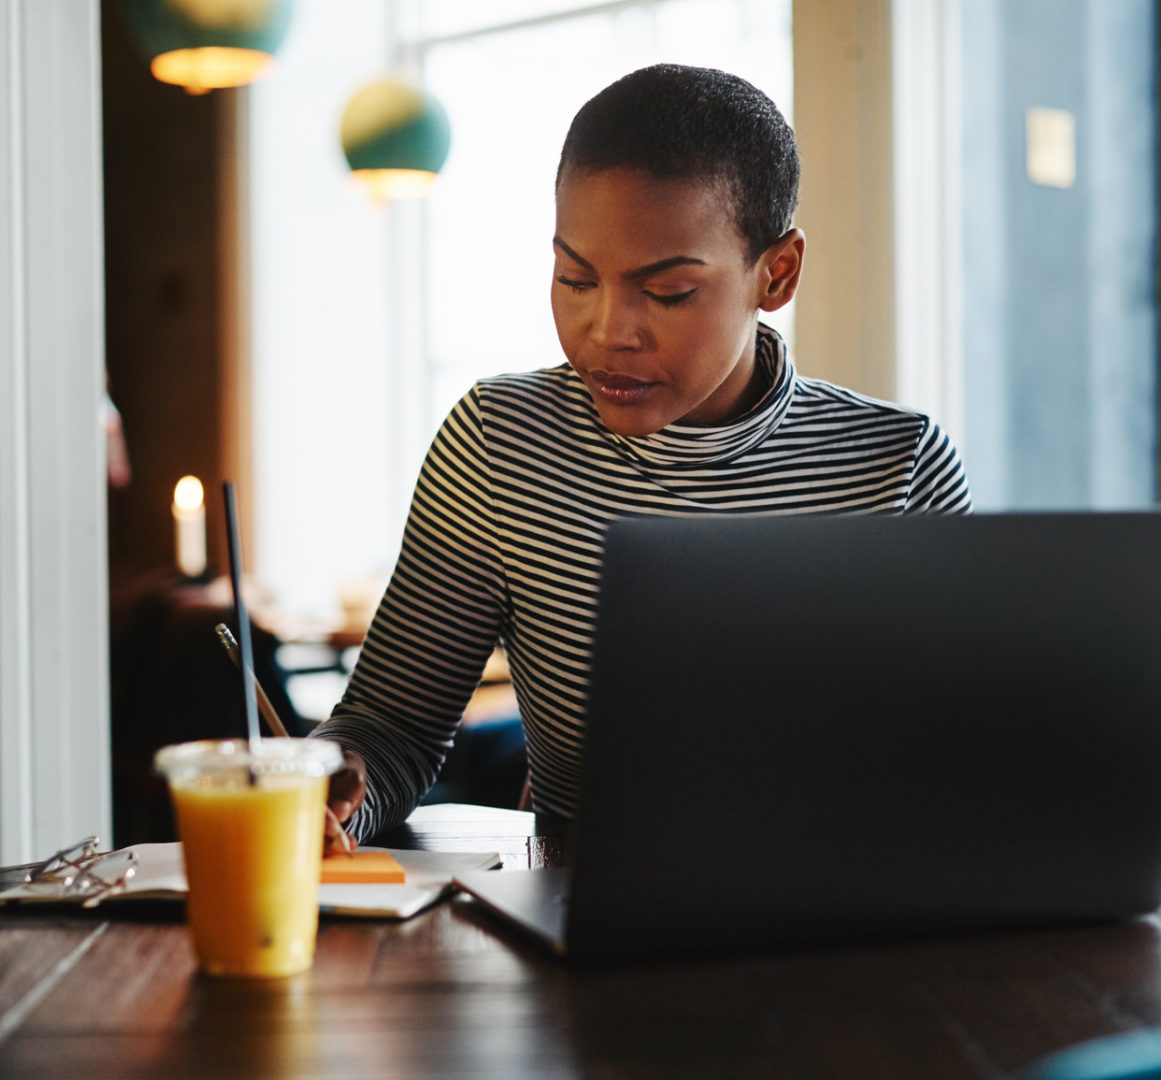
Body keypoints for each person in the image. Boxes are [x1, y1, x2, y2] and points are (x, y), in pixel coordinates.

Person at [314, 63, 971, 849]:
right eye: (575, 278)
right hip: (578, 925)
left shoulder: (898, 469)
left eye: (666, 293)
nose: (607, 331)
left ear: (778, 273)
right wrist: (330, 785)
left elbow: (962, 771)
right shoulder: (501, 442)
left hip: (841, 927)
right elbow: (392, 727)